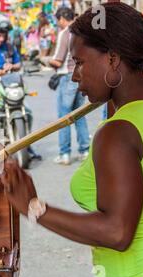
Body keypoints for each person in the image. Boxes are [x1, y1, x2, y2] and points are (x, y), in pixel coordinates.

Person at [1, 3, 143, 277]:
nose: (74, 76)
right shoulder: (131, 119)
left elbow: (117, 232)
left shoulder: (117, 133)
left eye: (79, 62)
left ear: (113, 60)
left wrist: (33, 207)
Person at [44, 7, 90, 165]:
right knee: (79, 115)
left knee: (64, 117)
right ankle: (85, 150)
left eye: (58, 20)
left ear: (63, 18)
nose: (58, 24)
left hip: (67, 77)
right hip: (81, 76)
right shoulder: (82, 31)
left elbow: (58, 60)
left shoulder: (65, 33)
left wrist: (44, 60)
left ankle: (65, 153)